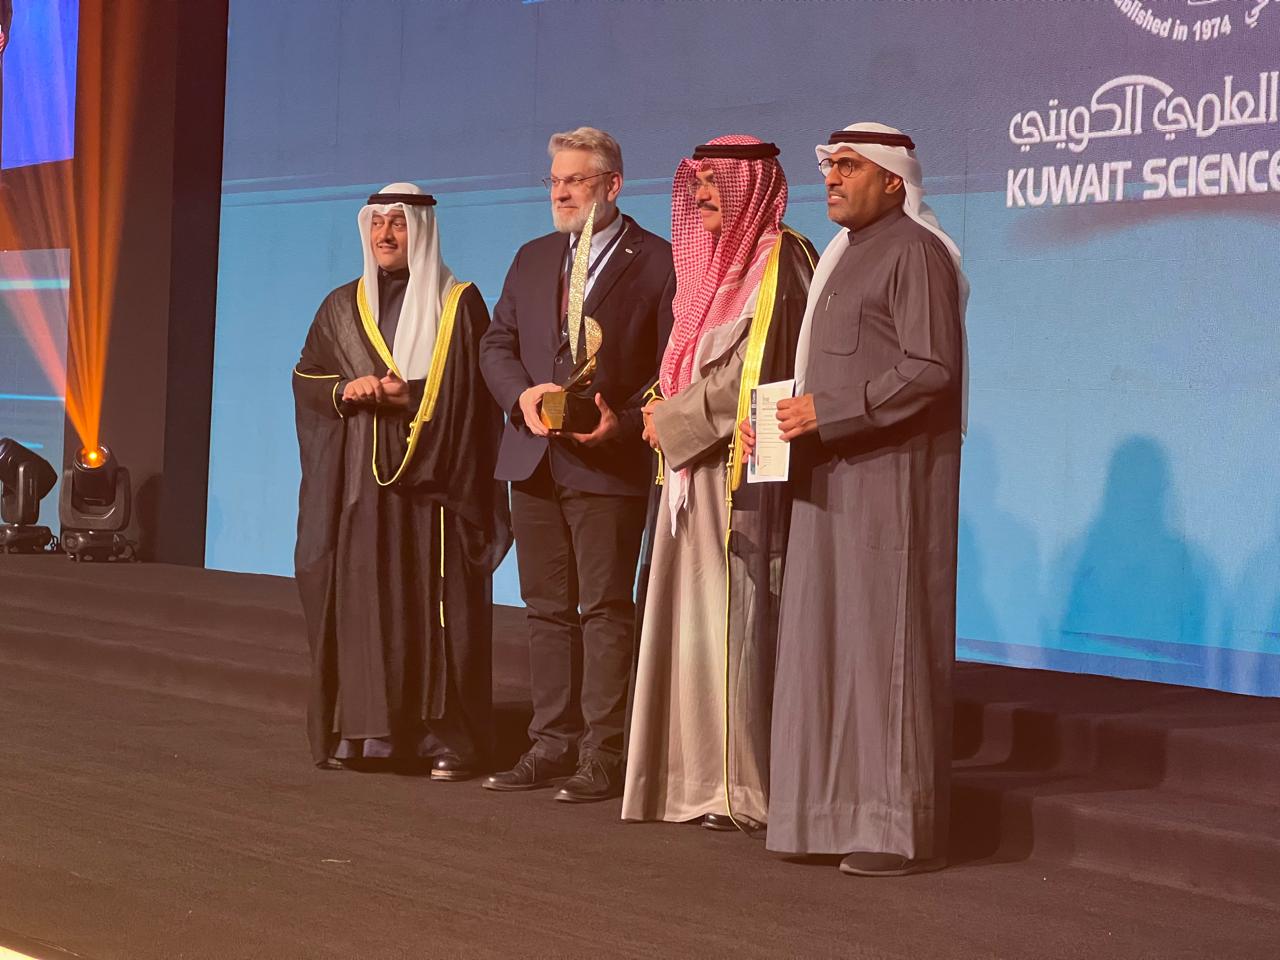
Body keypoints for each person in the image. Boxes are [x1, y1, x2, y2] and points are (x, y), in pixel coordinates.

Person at [741, 123, 968, 876]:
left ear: (894, 181)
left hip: (888, 485)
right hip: (828, 476)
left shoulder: (916, 251)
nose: (832, 178)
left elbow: (930, 367)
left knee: (883, 650)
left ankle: (894, 830)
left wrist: (829, 412)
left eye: (848, 166)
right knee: (823, 647)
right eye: (829, 166)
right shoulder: (846, 252)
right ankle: (820, 818)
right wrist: (782, 422)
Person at [622, 136, 815, 832]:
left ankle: (740, 789)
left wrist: (671, 420)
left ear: (750, 189)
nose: (702, 196)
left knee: (734, 628)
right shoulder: (701, 264)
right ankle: (689, 781)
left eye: (715, 184)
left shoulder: (782, 262)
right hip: (685, 473)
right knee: (690, 629)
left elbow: (757, 374)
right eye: (696, 185)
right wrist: (655, 406)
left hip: (739, 477)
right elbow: (680, 362)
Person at [479, 127, 674, 803]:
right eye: (555, 181)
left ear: (612, 186)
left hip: (606, 462)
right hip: (533, 458)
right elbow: (497, 344)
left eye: (575, 181)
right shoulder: (533, 257)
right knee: (545, 610)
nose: (560, 193)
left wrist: (625, 419)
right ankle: (550, 743)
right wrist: (521, 396)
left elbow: (670, 365)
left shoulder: (658, 262)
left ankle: (604, 753)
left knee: (606, 610)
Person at [292, 183, 511, 780]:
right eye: (378, 223)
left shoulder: (458, 305)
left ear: (422, 231)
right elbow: (308, 377)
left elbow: (475, 399)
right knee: (363, 604)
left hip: (435, 495)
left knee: (433, 607)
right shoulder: (341, 306)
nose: (385, 235)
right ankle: (368, 734)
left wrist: (409, 397)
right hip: (361, 492)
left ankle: (447, 738)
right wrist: (346, 390)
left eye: (398, 223)